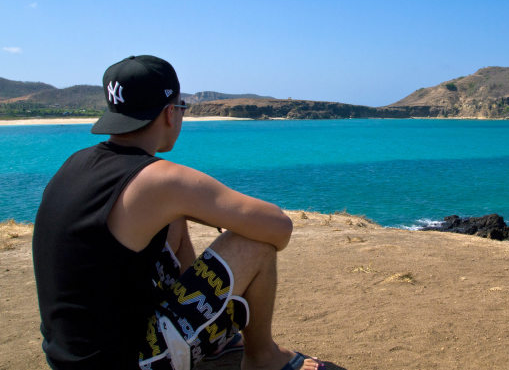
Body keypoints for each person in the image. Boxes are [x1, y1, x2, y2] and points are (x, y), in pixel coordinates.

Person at [33, 55, 322, 370]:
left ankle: (217, 343)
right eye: (181, 107)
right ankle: (262, 357)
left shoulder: (76, 162)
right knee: (255, 243)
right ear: (170, 113)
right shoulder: (161, 180)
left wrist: (189, 209)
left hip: (69, 355)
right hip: (130, 361)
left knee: (174, 215)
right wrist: (223, 221)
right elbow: (279, 227)